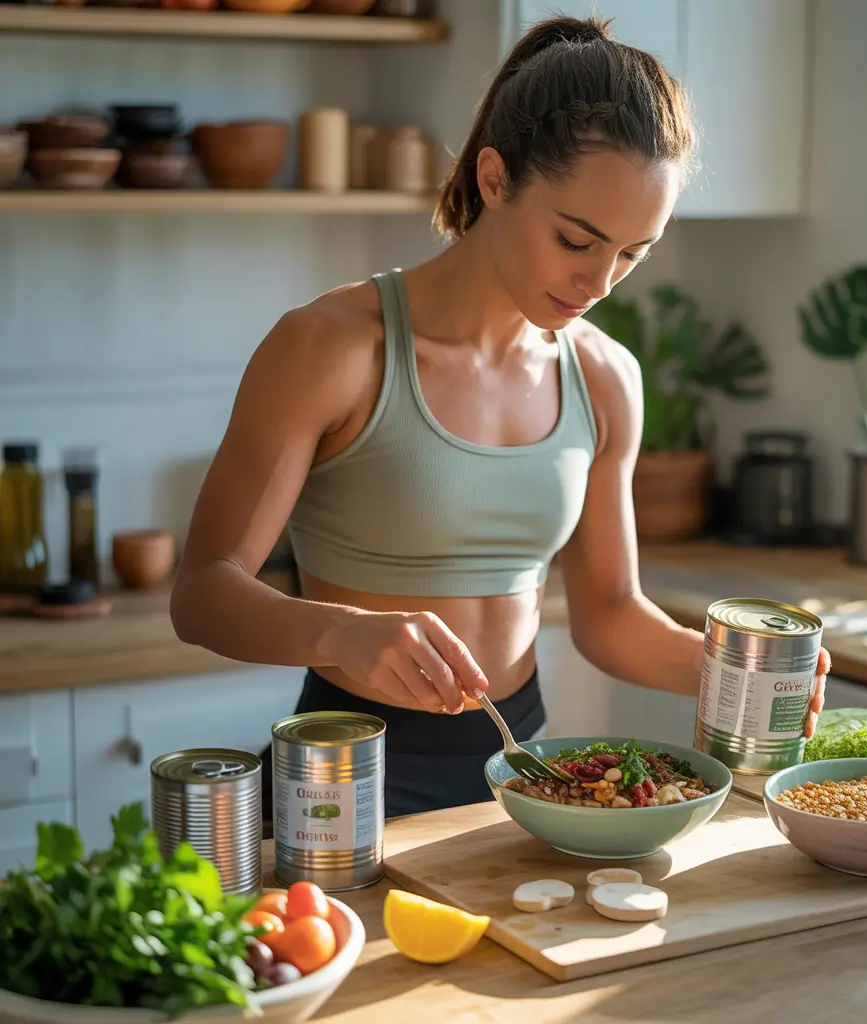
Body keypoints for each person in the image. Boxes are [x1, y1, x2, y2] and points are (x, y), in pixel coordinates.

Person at [170, 15, 830, 820]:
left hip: (528, 778)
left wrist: (733, 673)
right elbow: (203, 593)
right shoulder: (332, 348)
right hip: (347, 776)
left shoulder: (604, 377)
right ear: (493, 177)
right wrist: (341, 633)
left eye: (631, 254)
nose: (599, 282)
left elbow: (609, 613)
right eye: (576, 239)